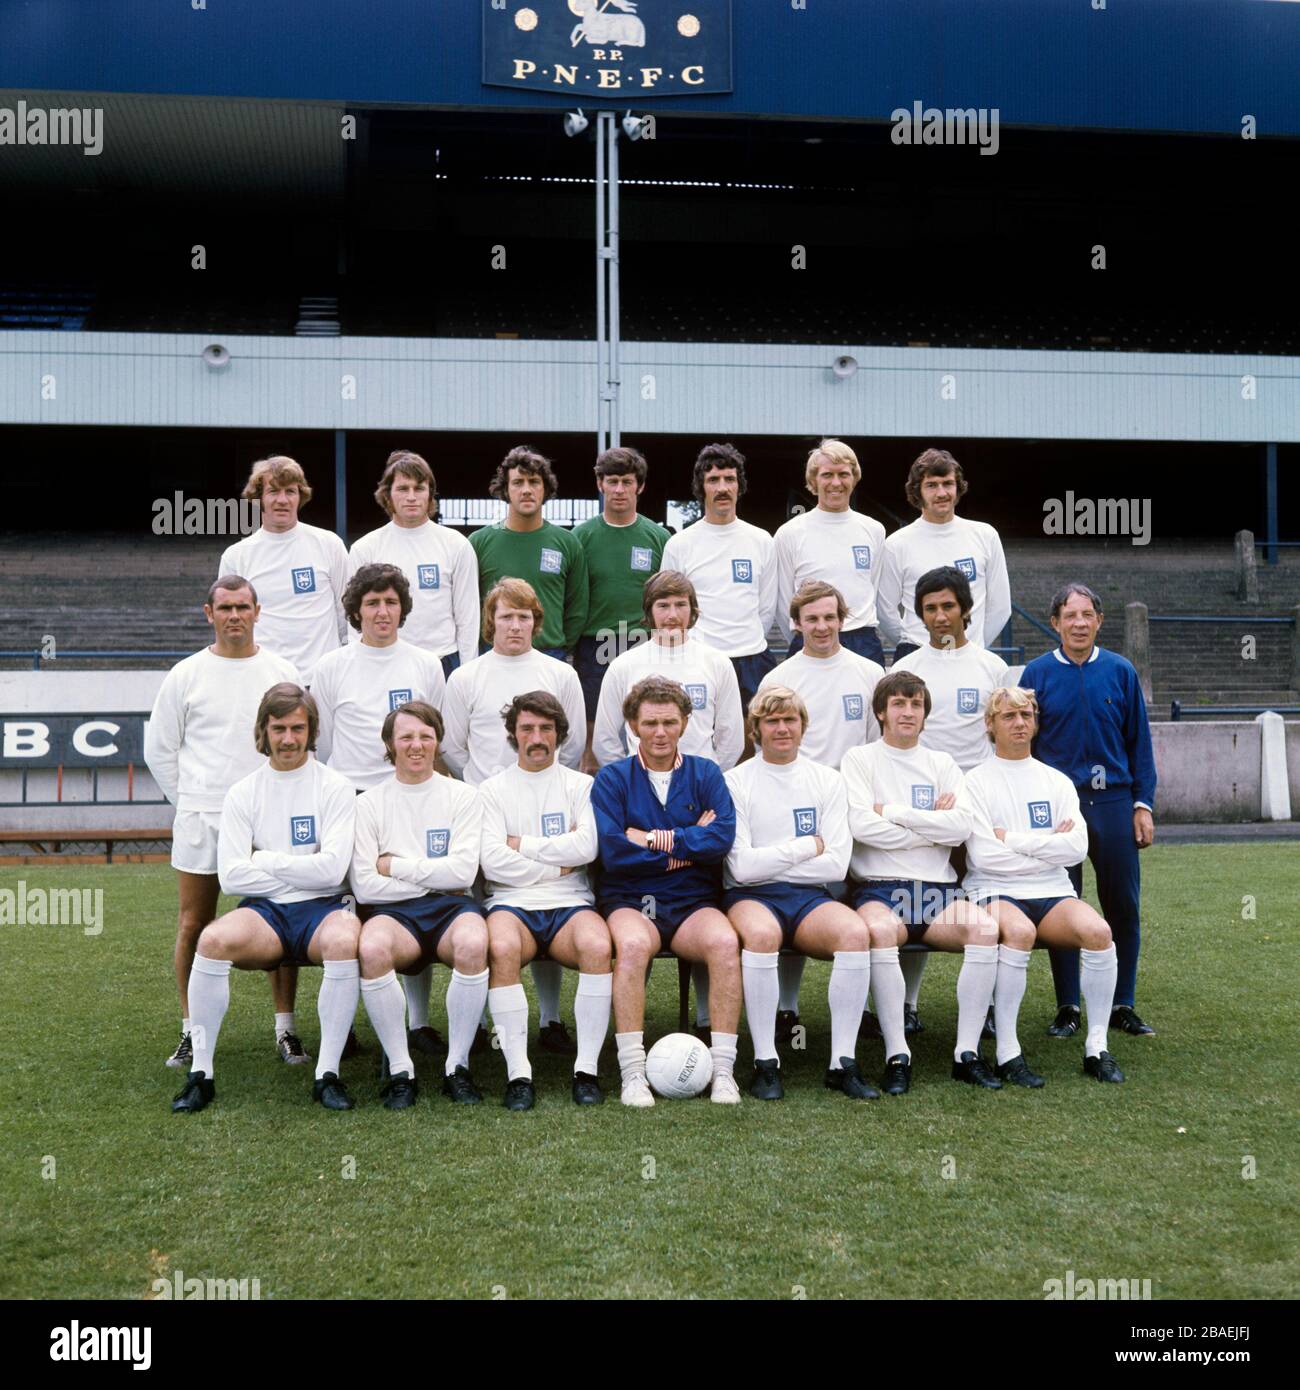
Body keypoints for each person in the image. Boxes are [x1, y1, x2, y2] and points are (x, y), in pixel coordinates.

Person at [171, 684, 363, 1113]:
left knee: (343, 942)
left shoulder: (335, 786)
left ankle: (327, 1074)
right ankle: (201, 1074)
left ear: (311, 730)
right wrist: (298, 868)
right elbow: (233, 874)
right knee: (212, 940)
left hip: (326, 907)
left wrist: (267, 860)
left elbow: (333, 870)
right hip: (267, 912)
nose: (289, 738)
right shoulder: (243, 792)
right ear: (264, 731)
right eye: (279, 728)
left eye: (298, 727)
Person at [144, 576, 302, 1070]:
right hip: (202, 817)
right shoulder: (185, 674)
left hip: (268, 819)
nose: (235, 615)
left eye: (243, 607)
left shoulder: (281, 670)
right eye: (225, 607)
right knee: (194, 923)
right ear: (207, 613)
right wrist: (191, 799)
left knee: (282, 918)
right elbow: (160, 749)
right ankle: (193, 1032)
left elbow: (298, 740)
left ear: (259, 611)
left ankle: (286, 1029)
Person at [842, 671, 1022, 1094]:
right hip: (879, 886)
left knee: (984, 929)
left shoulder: (942, 763)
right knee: (881, 932)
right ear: (882, 712)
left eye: (916, 705)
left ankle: (966, 1054)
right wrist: (930, 826)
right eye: (899, 704)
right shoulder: (860, 759)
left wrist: (894, 811)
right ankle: (896, 1053)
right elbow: (861, 825)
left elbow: (960, 828)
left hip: (938, 890)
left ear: (925, 714)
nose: (908, 712)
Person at [440, 577, 586, 1053]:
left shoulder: (559, 673)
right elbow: (453, 746)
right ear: (491, 622)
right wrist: (488, 790)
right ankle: (486, 1024)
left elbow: (575, 742)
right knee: (494, 914)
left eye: (524, 616)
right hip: (488, 808)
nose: (516, 625)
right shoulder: (466, 677)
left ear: (536, 622)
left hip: (548, 806)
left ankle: (549, 1019)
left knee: (546, 900)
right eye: (506, 616)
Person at [959, 686, 1126, 1084]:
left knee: (1099, 932)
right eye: (1008, 716)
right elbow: (984, 857)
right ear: (990, 724)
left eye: (1026, 715)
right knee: (1018, 930)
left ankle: (1097, 1047)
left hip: (1051, 890)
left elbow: (1076, 848)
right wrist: (1048, 843)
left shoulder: (1056, 780)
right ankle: (1008, 1052)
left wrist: (1013, 839)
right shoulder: (975, 782)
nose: (1019, 723)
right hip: (992, 889)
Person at [590, 676, 743, 1106]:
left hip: (693, 899)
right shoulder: (612, 779)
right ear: (633, 725)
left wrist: (654, 839)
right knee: (635, 946)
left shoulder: (706, 772)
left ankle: (724, 1071)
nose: (661, 732)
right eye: (651, 723)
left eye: (670, 722)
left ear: (685, 723)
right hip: (631, 899)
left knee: (725, 943)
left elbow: (720, 840)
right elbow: (614, 852)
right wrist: (686, 840)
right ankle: (633, 1073)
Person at [723, 686, 878, 1101]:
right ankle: (765, 1061)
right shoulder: (735, 781)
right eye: (771, 721)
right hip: (751, 897)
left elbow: (835, 865)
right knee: (759, 936)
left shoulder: (828, 780)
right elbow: (741, 868)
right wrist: (808, 845)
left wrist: (776, 858)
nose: (781, 728)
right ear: (755, 729)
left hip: (810, 896)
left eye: (790, 719)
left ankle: (841, 1063)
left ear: (803, 726)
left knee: (854, 934)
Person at [1018, 583, 1157, 1038]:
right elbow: (1023, 743)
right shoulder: (1036, 675)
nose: (1079, 623)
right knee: (1064, 905)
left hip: (1114, 803)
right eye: (1069, 615)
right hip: (1060, 805)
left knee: (1123, 903)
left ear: (1099, 620)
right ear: (1055, 623)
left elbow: (1140, 744)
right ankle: (1068, 1006)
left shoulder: (1120, 671)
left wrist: (1143, 804)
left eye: (1087, 614)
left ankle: (1123, 1002)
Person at [754, 579, 884, 1041]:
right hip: (798, 803)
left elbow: (875, 743)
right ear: (796, 623)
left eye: (830, 617)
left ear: (842, 619)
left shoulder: (869, 672)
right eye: (812, 618)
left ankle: (870, 1007)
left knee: (859, 902)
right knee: (797, 895)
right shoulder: (780, 677)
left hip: (852, 802)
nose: (822, 626)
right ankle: (787, 1008)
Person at [350, 701, 489, 1108]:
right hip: (393, 914)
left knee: (472, 944)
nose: (417, 745)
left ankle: (457, 1067)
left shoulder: (463, 796)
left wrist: (395, 865)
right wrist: (431, 878)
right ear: (390, 745)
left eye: (426, 736)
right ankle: (400, 1070)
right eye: (406, 737)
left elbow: (463, 874)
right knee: (373, 948)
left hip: (452, 908)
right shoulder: (368, 803)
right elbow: (365, 887)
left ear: (438, 741)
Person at [479, 692, 613, 1110]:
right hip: (510, 902)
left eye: (546, 729)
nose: (536, 738)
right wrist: (556, 862)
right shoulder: (491, 790)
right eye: (527, 729)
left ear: (560, 734)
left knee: (596, 945)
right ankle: (519, 1074)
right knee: (500, 947)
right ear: (512, 734)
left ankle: (586, 1071)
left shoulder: (582, 785)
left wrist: (523, 845)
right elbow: (492, 862)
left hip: (571, 901)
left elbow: (588, 846)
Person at [890, 564, 1009, 1031]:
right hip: (923, 806)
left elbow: (999, 734)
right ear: (920, 615)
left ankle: (989, 1010)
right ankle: (907, 1006)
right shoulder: (906, 668)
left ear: (966, 610)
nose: (940, 617)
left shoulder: (992, 666)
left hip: (976, 805)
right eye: (930, 608)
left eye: (948, 606)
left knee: (983, 906)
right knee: (917, 898)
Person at [660, 443, 777, 712]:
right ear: (702, 487)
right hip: (699, 660)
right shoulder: (679, 545)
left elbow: (767, 607)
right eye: (713, 480)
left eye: (729, 479)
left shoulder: (761, 541)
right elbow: (669, 608)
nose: (722, 487)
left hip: (752, 659)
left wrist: (742, 639)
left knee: (751, 741)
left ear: (739, 485)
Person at [572, 446, 669, 771]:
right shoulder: (580, 537)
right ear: (600, 484)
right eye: (611, 481)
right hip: (595, 645)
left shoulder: (657, 537)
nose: (619, 490)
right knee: (594, 736)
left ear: (639, 486)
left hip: (642, 644)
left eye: (627, 482)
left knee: (644, 728)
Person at [311, 563, 447, 792]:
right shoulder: (329, 667)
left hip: (408, 790)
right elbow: (322, 743)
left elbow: (435, 737)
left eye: (391, 602)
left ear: (402, 609)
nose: (383, 612)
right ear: (356, 611)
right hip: (349, 791)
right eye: (373, 603)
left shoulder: (427, 664)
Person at [348, 449, 480, 681]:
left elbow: (467, 617)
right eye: (402, 488)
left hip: (443, 660)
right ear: (387, 495)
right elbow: (353, 617)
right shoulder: (365, 548)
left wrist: (468, 673)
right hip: (384, 659)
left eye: (419, 488)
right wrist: (358, 663)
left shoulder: (456, 544)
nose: (411, 496)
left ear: (430, 495)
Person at [592, 569, 743, 771]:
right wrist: (629, 781)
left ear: (692, 610)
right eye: (663, 606)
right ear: (649, 611)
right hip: (641, 787)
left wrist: (708, 779)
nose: (672, 615)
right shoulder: (623, 666)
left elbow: (731, 737)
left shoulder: (718, 663)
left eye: (681, 605)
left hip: (699, 787)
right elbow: (604, 739)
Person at [217, 455, 349, 686]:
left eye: (290, 491)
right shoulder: (237, 556)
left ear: (300, 496)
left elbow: (346, 612)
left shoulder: (329, 544)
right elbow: (228, 621)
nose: (282, 500)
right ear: (259, 498)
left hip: (323, 681)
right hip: (265, 681)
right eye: (273, 491)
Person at [876, 448, 1011, 660]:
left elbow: (1000, 607)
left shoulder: (985, 535)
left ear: (958, 488)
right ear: (917, 491)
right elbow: (885, 611)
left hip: (970, 654)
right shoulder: (896, 544)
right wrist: (918, 645)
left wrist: (970, 646)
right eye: (931, 485)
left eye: (947, 483)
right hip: (917, 653)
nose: (941, 493)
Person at [469, 446, 588, 659]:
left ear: (545, 489)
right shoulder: (479, 542)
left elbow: (577, 610)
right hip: (494, 653)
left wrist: (558, 646)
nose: (526, 490)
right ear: (506, 490)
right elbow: (468, 606)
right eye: (517, 482)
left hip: (551, 653)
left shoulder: (568, 543)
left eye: (534, 482)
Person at [774, 439, 887, 664]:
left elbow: (871, 587)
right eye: (827, 475)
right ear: (813, 480)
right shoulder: (789, 534)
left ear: (854, 478)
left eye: (843, 474)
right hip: (810, 638)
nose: (836, 482)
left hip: (862, 641)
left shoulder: (874, 530)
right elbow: (784, 601)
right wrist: (807, 634)